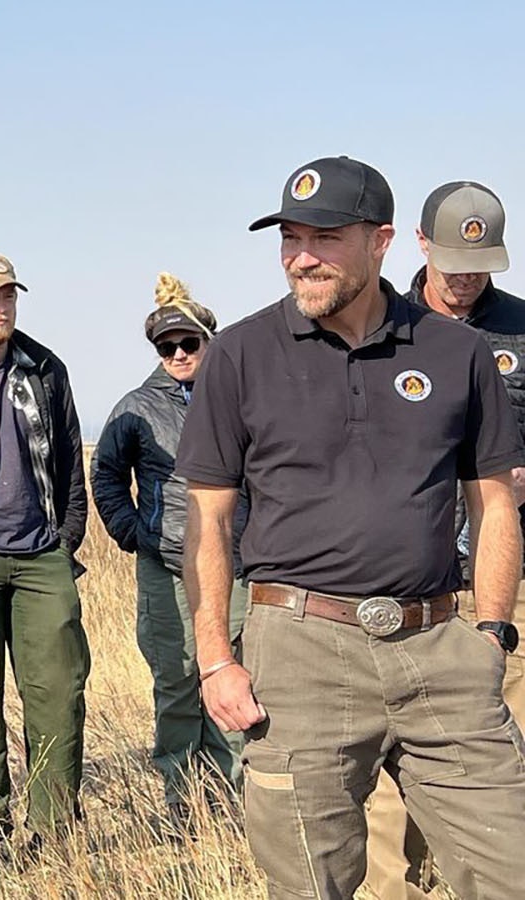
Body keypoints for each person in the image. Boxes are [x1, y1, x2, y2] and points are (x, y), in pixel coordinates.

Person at [179, 155, 525, 899]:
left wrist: (491, 633)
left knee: (509, 871)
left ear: (382, 242)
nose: (302, 257)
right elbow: (208, 518)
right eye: (291, 238)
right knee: (310, 885)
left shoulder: (458, 353)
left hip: (440, 649)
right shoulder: (239, 354)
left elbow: (494, 502)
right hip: (298, 651)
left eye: (326, 237)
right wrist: (216, 657)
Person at [364, 180, 525, 899]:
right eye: (452, 259)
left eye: (480, 263)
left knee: (501, 753)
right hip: (407, 580)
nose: (464, 278)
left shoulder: (522, 329)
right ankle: (397, 888)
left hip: (508, 576)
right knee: (395, 756)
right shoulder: (380, 328)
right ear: (419, 243)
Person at [0, 251, 90, 847]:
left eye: (8, 296)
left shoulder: (45, 368)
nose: (1, 308)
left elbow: (72, 461)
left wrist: (66, 539)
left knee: (59, 693)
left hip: (40, 554)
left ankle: (54, 831)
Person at [90, 273, 248, 826]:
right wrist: (134, 532)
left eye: (189, 343)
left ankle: (233, 802)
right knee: (177, 681)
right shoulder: (136, 406)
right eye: (166, 346)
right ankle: (183, 805)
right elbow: (106, 474)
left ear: (210, 340)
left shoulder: (239, 396)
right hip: (169, 563)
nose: (179, 354)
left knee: (235, 673)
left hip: (236, 564)